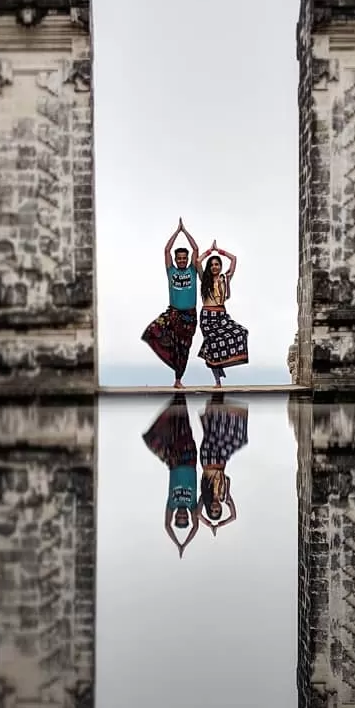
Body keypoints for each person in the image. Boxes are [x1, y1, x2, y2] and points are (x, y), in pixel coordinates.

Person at [141, 218, 201, 388]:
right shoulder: (171, 271)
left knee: (184, 349)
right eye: (179, 258)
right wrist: (176, 232)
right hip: (173, 313)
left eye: (184, 258)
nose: (182, 260)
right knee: (153, 330)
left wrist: (185, 231)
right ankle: (167, 359)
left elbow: (196, 249)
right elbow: (166, 249)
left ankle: (178, 380)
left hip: (189, 316)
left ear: (187, 259)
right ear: (175, 259)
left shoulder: (192, 270)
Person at [142, 394, 201, 557]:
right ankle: (180, 399)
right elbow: (196, 527)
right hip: (189, 459)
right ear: (188, 516)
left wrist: (176, 544)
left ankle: (175, 401)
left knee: (154, 439)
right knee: (183, 427)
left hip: (174, 462)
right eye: (184, 518)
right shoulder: (193, 506)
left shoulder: (172, 504)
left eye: (179, 517)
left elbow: (167, 526)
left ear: (175, 515)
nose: (182, 515)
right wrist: (184, 544)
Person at [197, 241, 249, 387]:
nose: (214, 267)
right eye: (212, 264)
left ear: (220, 266)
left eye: (217, 264)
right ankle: (217, 381)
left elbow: (234, 259)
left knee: (242, 332)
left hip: (222, 316)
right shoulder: (204, 279)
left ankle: (223, 364)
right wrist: (209, 251)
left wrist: (219, 250)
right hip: (207, 316)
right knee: (213, 346)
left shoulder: (225, 278)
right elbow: (198, 261)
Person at [198, 393, 248, 535]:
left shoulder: (204, 497)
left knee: (213, 434)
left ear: (209, 509)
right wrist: (219, 525)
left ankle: (213, 408)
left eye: (212, 510)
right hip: (221, 461)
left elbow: (198, 515)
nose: (215, 508)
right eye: (217, 510)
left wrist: (209, 524)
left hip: (208, 460)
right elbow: (234, 516)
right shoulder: (224, 497)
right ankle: (216, 407)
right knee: (239, 439)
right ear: (220, 508)